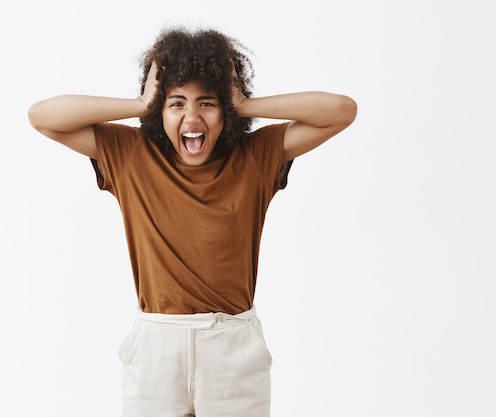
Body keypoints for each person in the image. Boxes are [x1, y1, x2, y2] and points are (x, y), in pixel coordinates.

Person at [28, 27, 357, 417]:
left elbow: (341, 111)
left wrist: (245, 104)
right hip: (156, 346)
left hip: (233, 347)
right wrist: (139, 103)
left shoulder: (255, 156)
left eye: (207, 103)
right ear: (159, 111)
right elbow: (43, 117)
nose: (192, 116)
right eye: (176, 103)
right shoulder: (132, 154)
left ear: (225, 112)